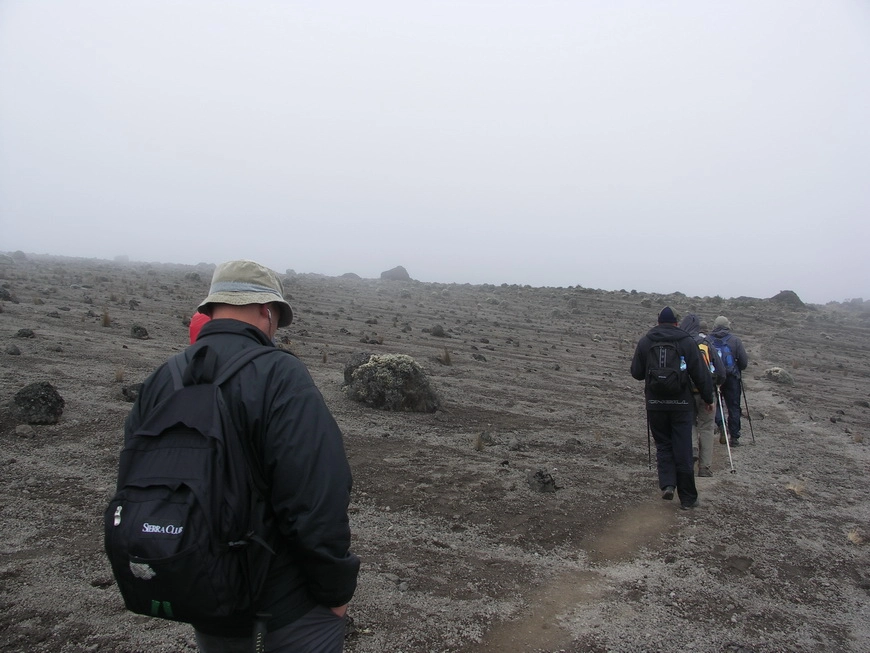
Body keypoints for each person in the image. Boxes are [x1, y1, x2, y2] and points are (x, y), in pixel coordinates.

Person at [124, 259, 360, 652]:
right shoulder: (280, 376)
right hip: (282, 610)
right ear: (267, 311)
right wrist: (335, 590)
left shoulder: (163, 378)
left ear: (212, 308)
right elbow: (316, 496)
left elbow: (133, 479)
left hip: (199, 592)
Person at [631, 307, 714, 509]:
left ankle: (668, 484)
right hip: (681, 405)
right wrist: (708, 398)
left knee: (663, 445)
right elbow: (700, 373)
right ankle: (688, 498)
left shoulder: (646, 341)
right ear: (677, 322)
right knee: (683, 447)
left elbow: (636, 373)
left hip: (655, 404)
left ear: (658, 321)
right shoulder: (686, 341)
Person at [679, 314, 726, 476]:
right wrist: (716, 384)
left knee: (689, 422)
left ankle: (692, 448)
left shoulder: (682, 343)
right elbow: (721, 371)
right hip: (707, 392)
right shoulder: (707, 344)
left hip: (686, 392)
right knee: (706, 427)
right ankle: (705, 468)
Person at [709, 315, 749, 446]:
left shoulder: (708, 340)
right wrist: (737, 369)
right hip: (732, 378)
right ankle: (734, 437)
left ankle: (721, 425)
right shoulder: (735, 341)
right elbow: (743, 362)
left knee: (716, 404)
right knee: (733, 406)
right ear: (727, 326)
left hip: (714, 377)